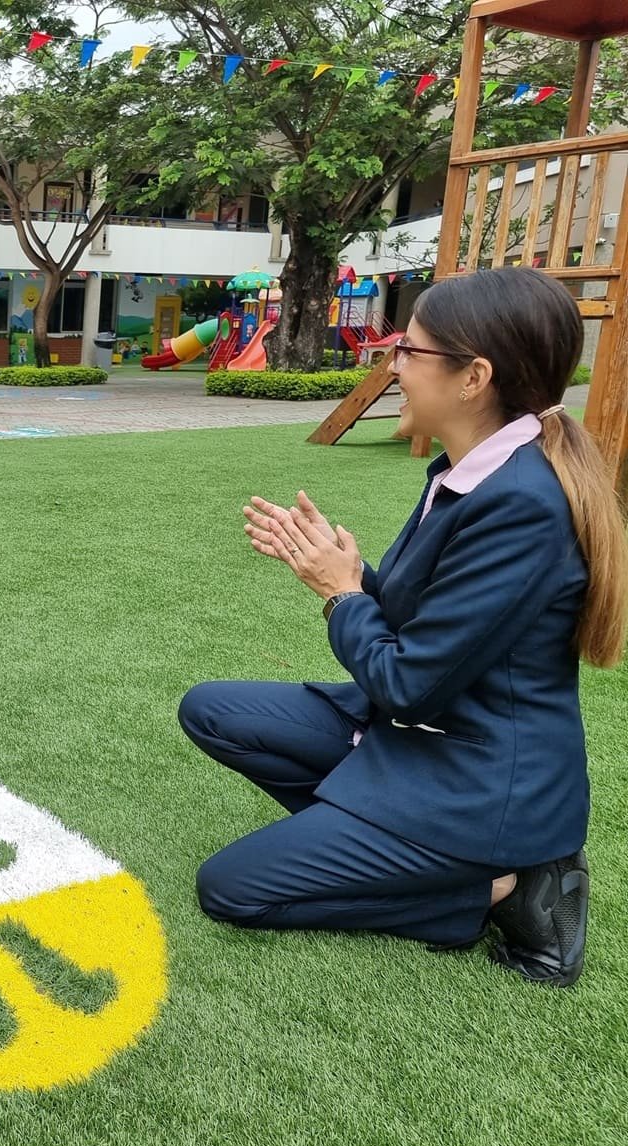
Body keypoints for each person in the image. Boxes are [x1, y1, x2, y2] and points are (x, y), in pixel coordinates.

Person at [178, 267, 627, 987]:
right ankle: (385, 835)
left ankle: (504, 888)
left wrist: (341, 595)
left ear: (473, 377)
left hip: (475, 778)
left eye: (409, 352)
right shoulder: (469, 471)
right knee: (212, 711)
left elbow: (409, 682)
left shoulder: (523, 504)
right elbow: (431, 618)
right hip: (419, 733)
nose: (393, 367)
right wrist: (351, 572)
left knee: (232, 888)